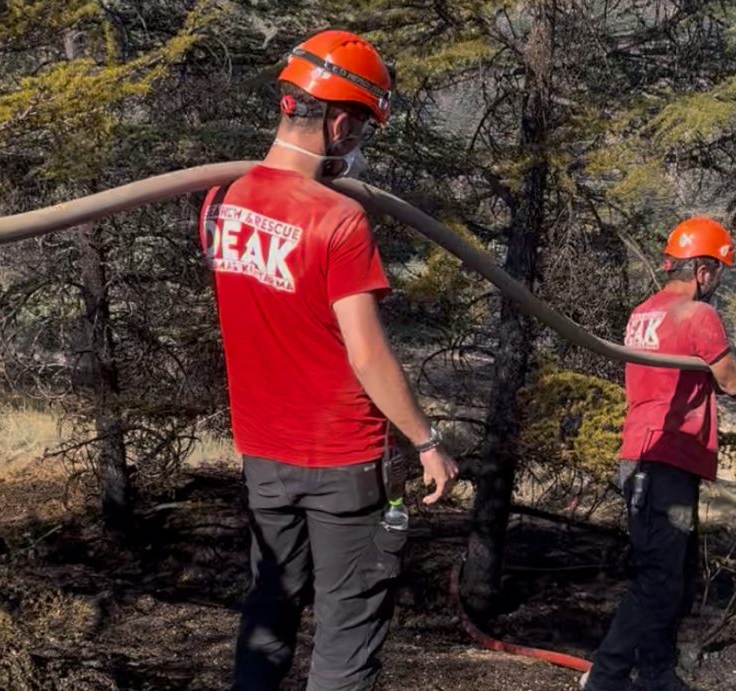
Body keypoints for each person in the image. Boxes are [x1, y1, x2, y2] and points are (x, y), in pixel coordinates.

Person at [198, 30, 458, 691]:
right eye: (360, 126)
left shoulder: (220, 201)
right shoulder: (339, 221)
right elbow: (367, 355)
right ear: (339, 122)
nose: (359, 139)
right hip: (342, 458)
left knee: (269, 610)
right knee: (347, 633)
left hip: (263, 453)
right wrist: (427, 441)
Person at [580, 217, 736, 691]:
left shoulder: (644, 313)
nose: (717, 281)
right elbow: (731, 381)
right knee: (659, 576)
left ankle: (657, 673)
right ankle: (606, 678)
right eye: (717, 271)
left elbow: (687, 372)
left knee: (672, 573)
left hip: (646, 458)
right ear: (702, 270)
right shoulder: (699, 314)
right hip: (665, 459)